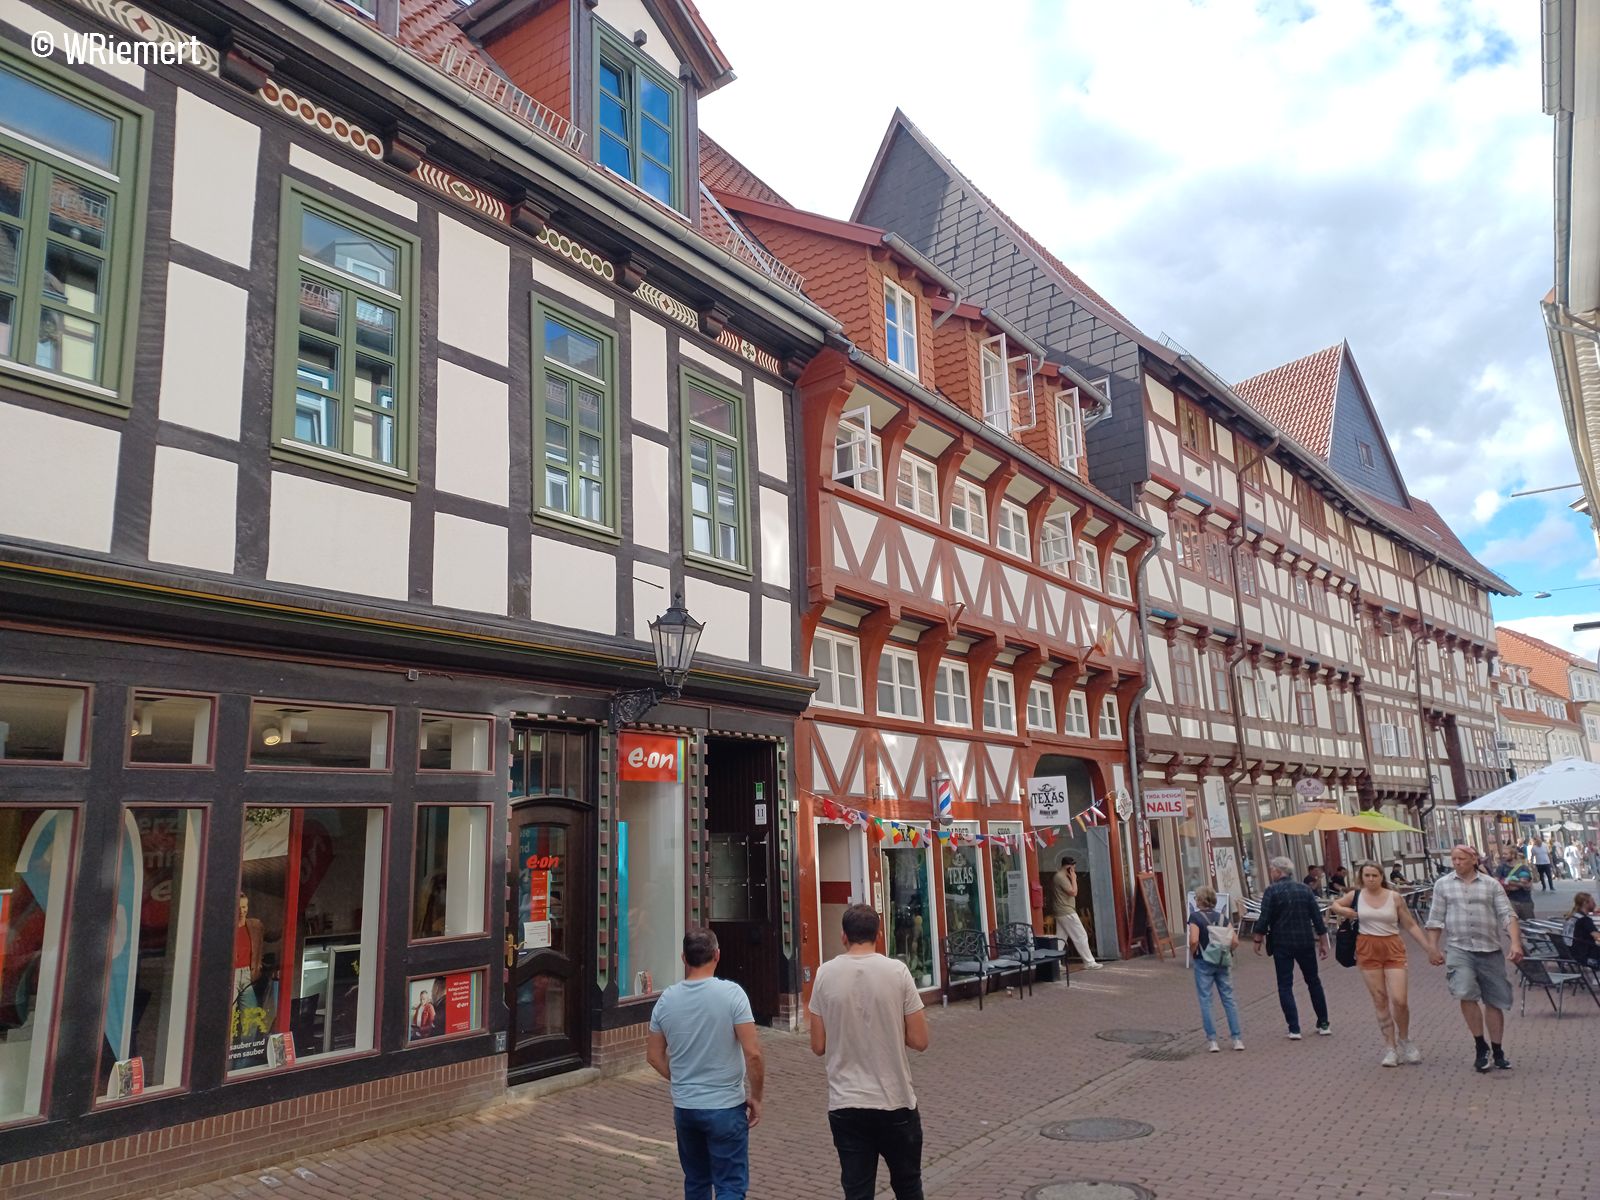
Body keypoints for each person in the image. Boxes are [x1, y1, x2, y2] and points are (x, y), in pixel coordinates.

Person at [809, 904, 930, 1200]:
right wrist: (889, 1028)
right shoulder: (898, 972)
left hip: (846, 1102)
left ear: (843, 936)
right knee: (908, 1186)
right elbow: (920, 1040)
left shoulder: (824, 974)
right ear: (879, 935)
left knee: (857, 1191)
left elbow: (818, 1045)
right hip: (895, 1099)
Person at [646, 929, 764, 1200]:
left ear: (683, 958)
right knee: (730, 1186)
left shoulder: (666, 1000)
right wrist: (757, 1097)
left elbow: (653, 1056)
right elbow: (753, 1054)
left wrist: (681, 1078)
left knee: (697, 1181)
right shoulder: (733, 995)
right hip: (725, 1105)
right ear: (717, 955)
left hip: (686, 1107)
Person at [1424, 844, 1524, 1073]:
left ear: (1474, 859)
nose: (1456, 863)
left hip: (1489, 948)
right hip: (1459, 948)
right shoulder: (1443, 885)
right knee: (1465, 991)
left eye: (1461, 858)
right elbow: (1435, 918)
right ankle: (1480, 1046)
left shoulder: (1491, 885)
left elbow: (1507, 914)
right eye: (1453, 859)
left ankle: (1497, 1049)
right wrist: (1432, 947)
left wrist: (1515, 942)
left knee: (1494, 1000)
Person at [1328, 863, 1432, 1067]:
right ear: (1361, 877)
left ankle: (1405, 1039)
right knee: (1380, 999)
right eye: (1367, 875)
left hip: (1392, 946)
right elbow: (1335, 904)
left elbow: (1410, 924)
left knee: (1400, 1000)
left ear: (1381, 876)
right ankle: (1390, 1047)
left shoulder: (1394, 897)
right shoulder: (1356, 895)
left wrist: (1429, 948)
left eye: (1374, 875)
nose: (1371, 879)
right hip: (1367, 948)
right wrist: (1344, 911)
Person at [1252, 856, 1331, 1039]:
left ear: (1278, 871)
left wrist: (1258, 939)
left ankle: (1294, 1028)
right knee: (1313, 981)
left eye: (1272, 870)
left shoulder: (1272, 891)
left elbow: (1264, 917)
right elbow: (1317, 918)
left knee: (1285, 985)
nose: (1271, 873)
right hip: (1305, 941)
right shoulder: (1305, 890)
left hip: (1282, 943)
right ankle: (1324, 1023)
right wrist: (1323, 941)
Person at [1186, 886, 1243, 1053]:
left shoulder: (1195, 917)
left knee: (1206, 999)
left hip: (1203, 961)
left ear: (1200, 900)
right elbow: (1235, 941)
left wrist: (1193, 953)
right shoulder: (1223, 918)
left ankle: (1212, 1041)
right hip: (1222, 961)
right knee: (1229, 999)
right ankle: (1237, 1039)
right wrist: (1227, 952)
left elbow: (1194, 940)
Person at [1048, 857, 1101, 969]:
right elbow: (1073, 892)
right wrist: (1073, 878)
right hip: (1066, 911)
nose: (1074, 869)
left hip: (1061, 911)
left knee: (1061, 939)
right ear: (1069, 867)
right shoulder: (1061, 877)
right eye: (1073, 867)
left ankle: (1055, 964)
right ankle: (1089, 962)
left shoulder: (1060, 876)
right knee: (1081, 935)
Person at [1564, 893, 1600, 969]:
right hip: (1585, 957)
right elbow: (1598, 937)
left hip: (1570, 953)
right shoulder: (1584, 920)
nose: (1595, 904)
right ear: (1585, 903)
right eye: (1592, 901)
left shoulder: (1572, 916)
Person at [1501, 851, 1535, 923]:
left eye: (1506, 854)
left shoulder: (1524, 868)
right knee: (1511, 924)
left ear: (1513, 855)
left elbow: (1528, 885)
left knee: (1530, 923)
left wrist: (1510, 883)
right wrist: (1518, 884)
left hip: (1525, 901)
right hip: (1510, 901)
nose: (1503, 856)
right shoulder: (1501, 868)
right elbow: (1498, 883)